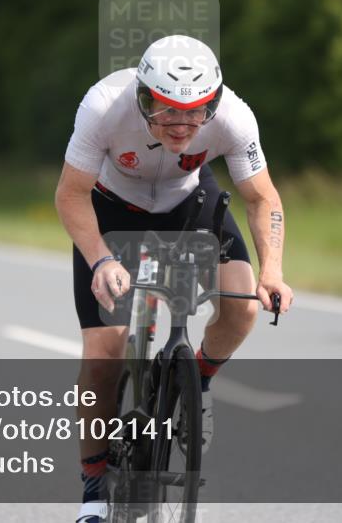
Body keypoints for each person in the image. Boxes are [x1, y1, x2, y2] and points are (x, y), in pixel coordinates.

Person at [55, 35, 294, 523]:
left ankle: (196, 385)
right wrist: (100, 260)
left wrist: (272, 271)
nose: (182, 125)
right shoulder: (103, 105)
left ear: (213, 103)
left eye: (195, 112)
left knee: (243, 304)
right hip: (111, 209)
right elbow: (70, 195)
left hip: (190, 201)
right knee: (104, 354)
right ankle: (95, 489)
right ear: (143, 97)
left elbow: (262, 198)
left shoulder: (233, 116)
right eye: (165, 110)